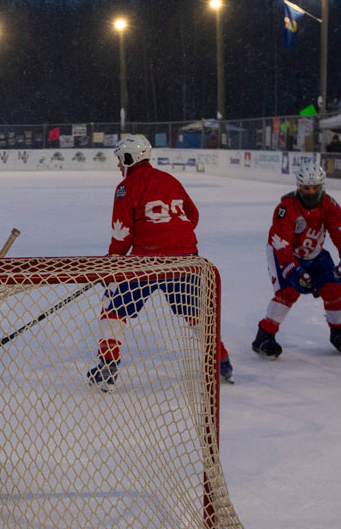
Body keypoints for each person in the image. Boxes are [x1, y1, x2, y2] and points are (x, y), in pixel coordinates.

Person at [87, 134, 233, 391]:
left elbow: (122, 233)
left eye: (121, 160)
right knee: (195, 313)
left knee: (114, 308)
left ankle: (107, 367)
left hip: (147, 262)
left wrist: (112, 266)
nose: (119, 166)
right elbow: (192, 215)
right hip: (186, 260)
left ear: (129, 158)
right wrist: (172, 238)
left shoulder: (126, 186)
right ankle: (221, 361)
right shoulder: (171, 180)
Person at [252, 163, 341, 359]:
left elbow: (340, 233)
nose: (311, 192)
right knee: (288, 292)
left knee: (333, 287)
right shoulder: (286, 209)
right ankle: (264, 336)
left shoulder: (330, 205)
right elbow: (281, 245)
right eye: (306, 188)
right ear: (299, 186)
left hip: (314, 252)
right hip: (284, 253)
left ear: (322, 186)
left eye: (315, 188)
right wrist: (293, 270)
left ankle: (339, 331)